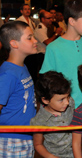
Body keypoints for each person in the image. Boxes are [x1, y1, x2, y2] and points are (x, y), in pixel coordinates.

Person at [0, 21, 37, 157]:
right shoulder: (8, 74)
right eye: (29, 38)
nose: (35, 41)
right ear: (14, 43)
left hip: (25, 137)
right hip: (11, 141)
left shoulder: (22, 67)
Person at [30, 71, 74, 158]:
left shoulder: (70, 102)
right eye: (61, 99)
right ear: (46, 100)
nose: (67, 102)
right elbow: (38, 144)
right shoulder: (39, 121)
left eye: (68, 96)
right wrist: (50, 157)